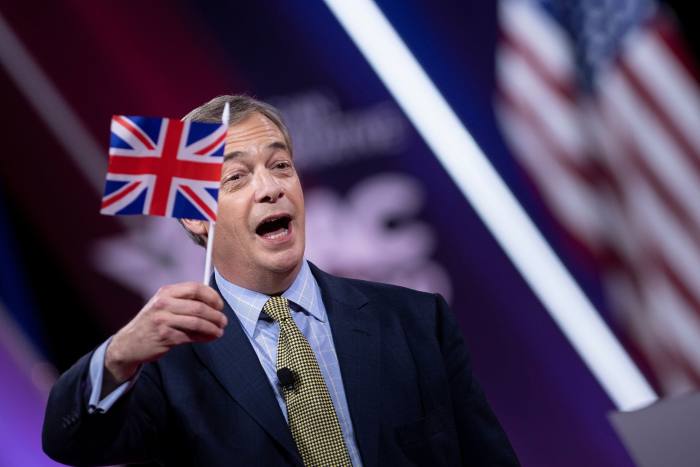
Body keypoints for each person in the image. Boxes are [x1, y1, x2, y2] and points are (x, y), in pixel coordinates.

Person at [42, 95, 519, 466]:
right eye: (236, 177)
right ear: (195, 218)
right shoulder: (170, 364)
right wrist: (120, 355)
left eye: (280, 166)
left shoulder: (416, 322)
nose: (271, 188)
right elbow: (69, 442)